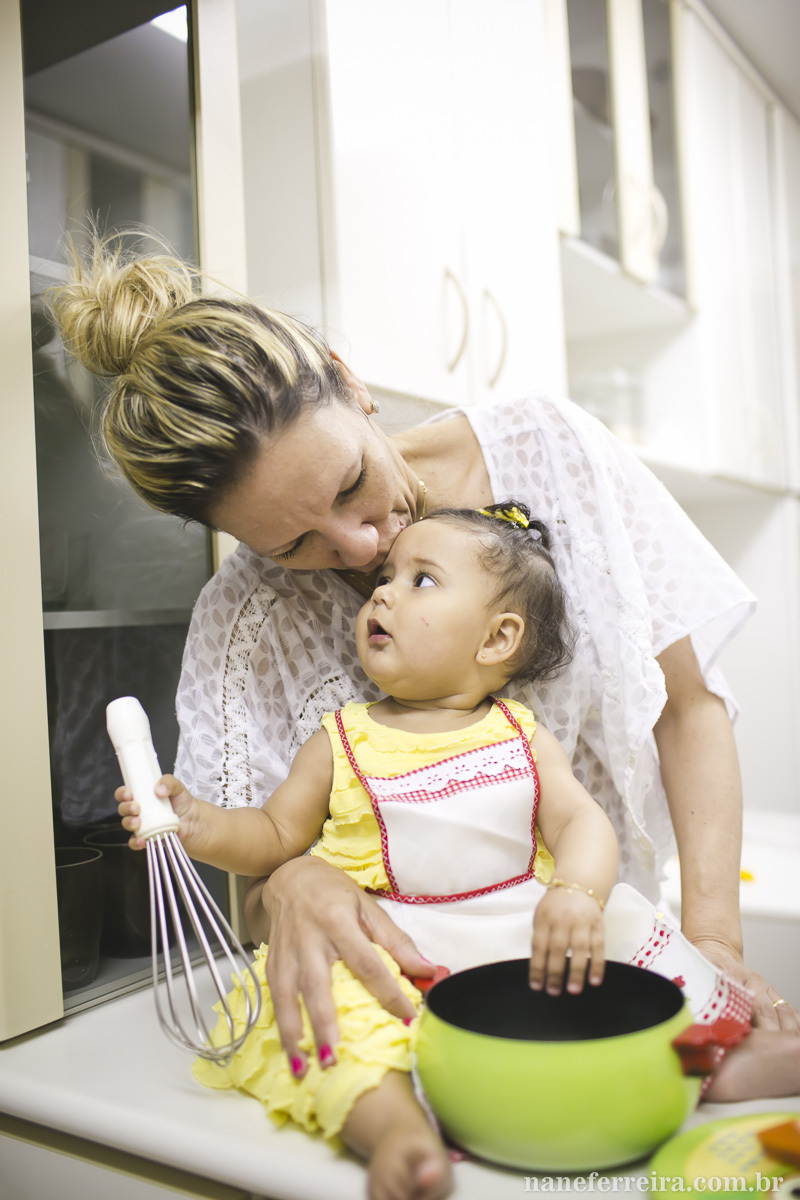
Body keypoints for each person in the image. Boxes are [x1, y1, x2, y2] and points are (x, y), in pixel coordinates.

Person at [50, 233, 799, 1068]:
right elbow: (260, 874)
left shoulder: (552, 452)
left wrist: (714, 942)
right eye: (295, 543)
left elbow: (687, 708)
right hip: (427, 1018)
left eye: (347, 485)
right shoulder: (246, 623)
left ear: (350, 380)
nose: (362, 543)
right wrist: (290, 884)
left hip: (603, 970)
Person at [117, 504, 798, 1200]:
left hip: (525, 942)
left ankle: (715, 1059)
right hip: (398, 953)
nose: (382, 591)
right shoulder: (338, 740)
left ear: (498, 638)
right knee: (328, 1011)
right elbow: (270, 837)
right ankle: (394, 1127)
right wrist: (194, 821)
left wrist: (577, 893)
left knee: (625, 925)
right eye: (387, 576)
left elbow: (584, 826)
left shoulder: (522, 734)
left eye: (421, 580)